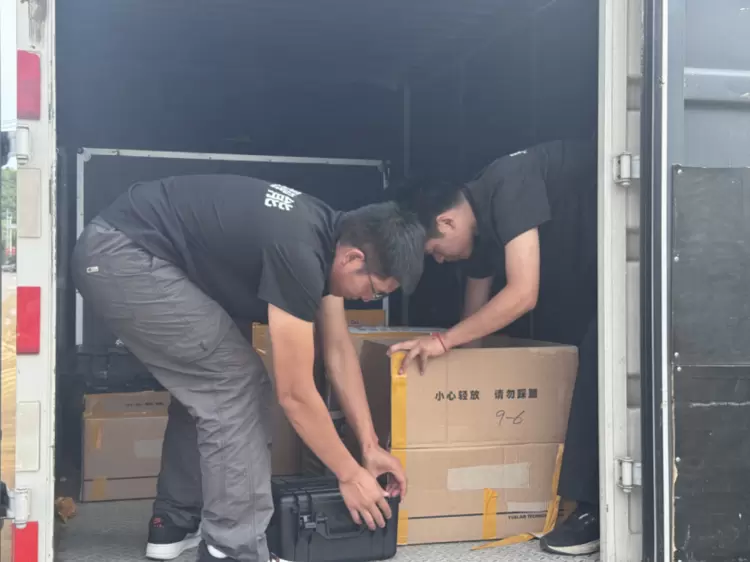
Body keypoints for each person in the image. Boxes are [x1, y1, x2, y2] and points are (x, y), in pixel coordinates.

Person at [72, 174, 425, 562]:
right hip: (124, 256)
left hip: (127, 252)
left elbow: (338, 352)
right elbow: (294, 394)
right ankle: (232, 548)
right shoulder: (299, 251)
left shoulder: (326, 239)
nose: (367, 300)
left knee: (212, 382)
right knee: (235, 384)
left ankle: (175, 521)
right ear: (353, 259)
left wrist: (369, 447)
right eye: (373, 291)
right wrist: (349, 474)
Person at [390, 139, 599, 556]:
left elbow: (522, 294)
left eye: (435, 252)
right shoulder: (479, 231)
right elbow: (474, 331)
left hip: (636, 244)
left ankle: (592, 512)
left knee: (598, 360)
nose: (440, 261)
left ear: (447, 222)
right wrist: (451, 425)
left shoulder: (508, 181)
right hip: (586, 270)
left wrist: (442, 341)